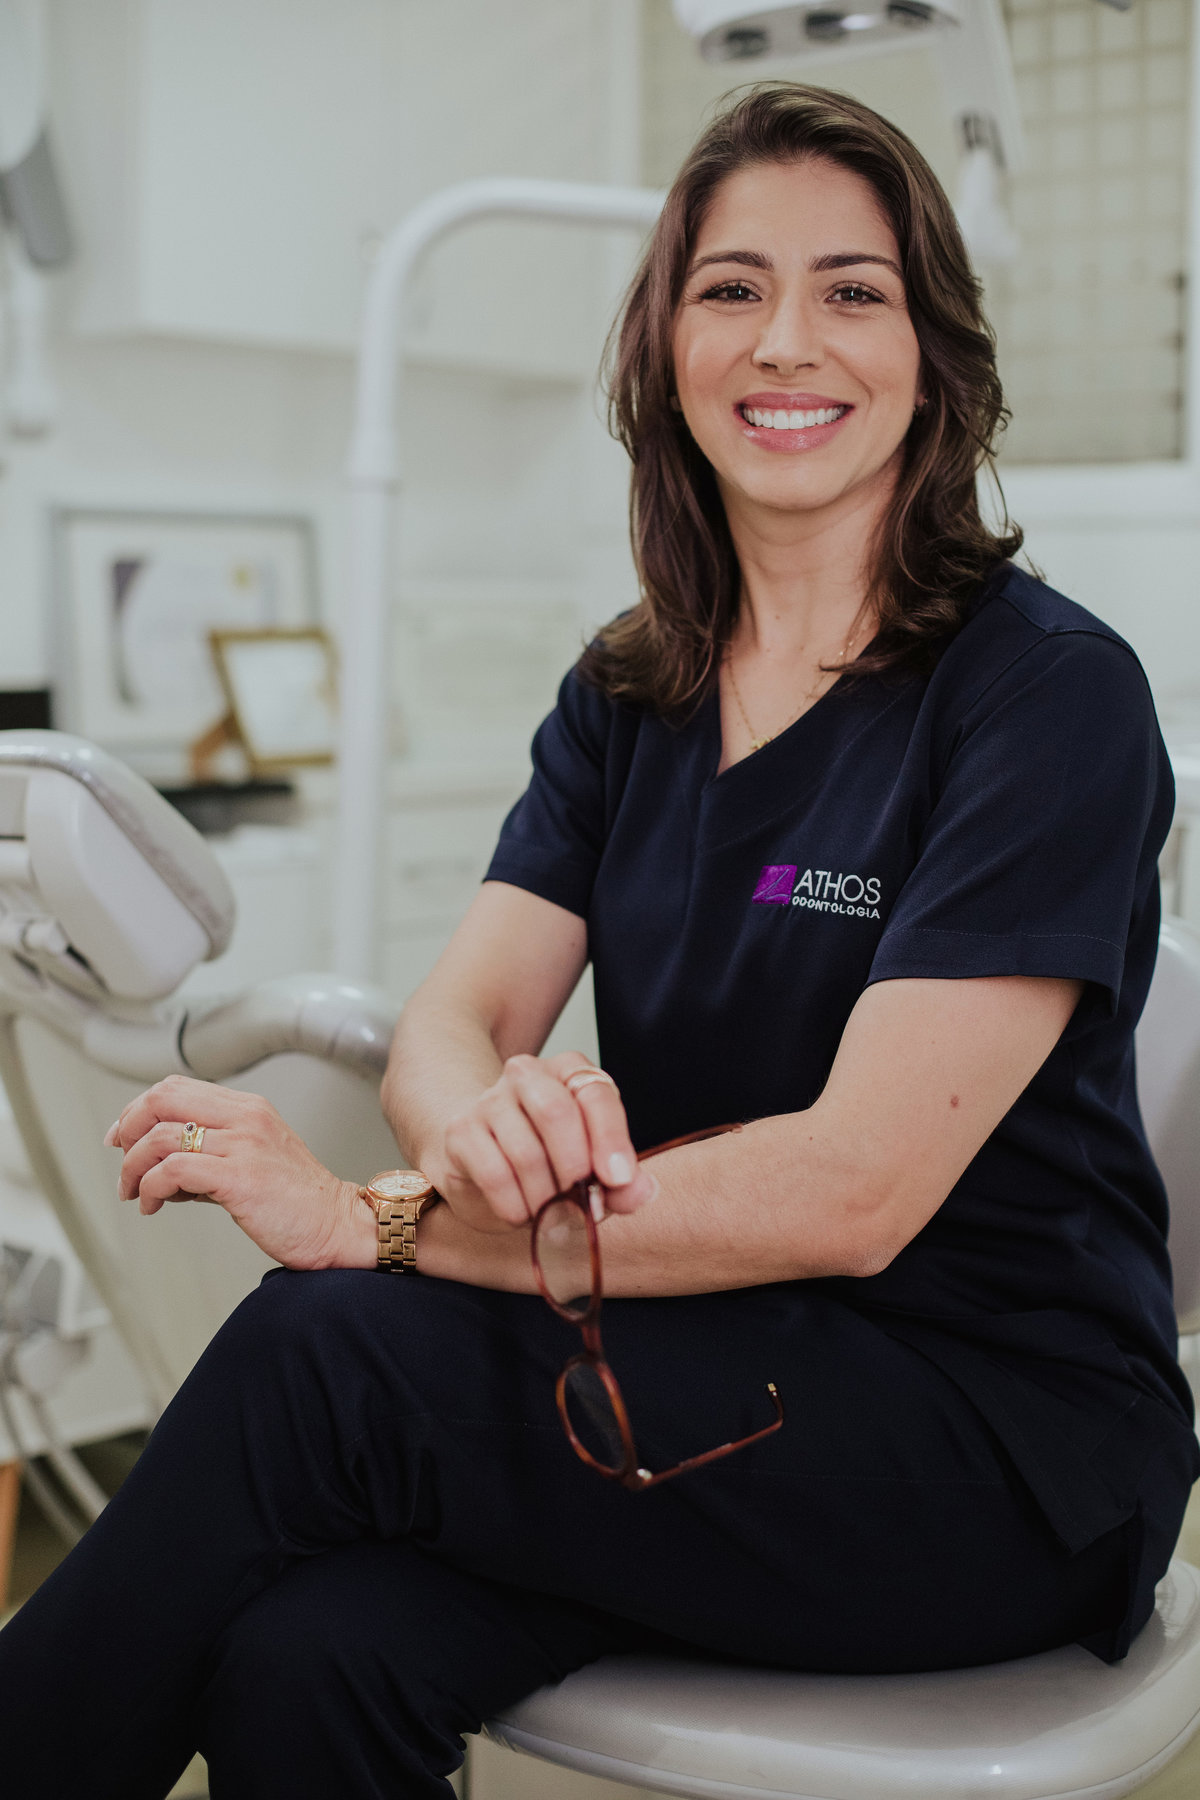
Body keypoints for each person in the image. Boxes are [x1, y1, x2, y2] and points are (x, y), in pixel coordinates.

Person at [1, 82, 1196, 1800]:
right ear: (665, 349)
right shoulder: (633, 690)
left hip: (998, 1443)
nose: (787, 341)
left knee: (323, 1349)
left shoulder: (1046, 699)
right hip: (715, 1365)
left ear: (935, 355)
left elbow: (853, 1193)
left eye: (854, 291)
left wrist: (384, 1222)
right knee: (309, 1654)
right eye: (732, 288)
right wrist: (485, 1123)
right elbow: (453, 1022)